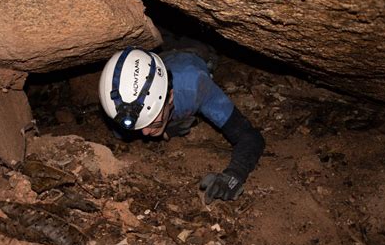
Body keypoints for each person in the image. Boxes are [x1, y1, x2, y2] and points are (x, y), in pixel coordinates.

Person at [98, 46, 265, 204]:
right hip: (162, 57)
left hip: (192, 50)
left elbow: (249, 137)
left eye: (152, 122)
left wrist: (234, 175)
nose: (146, 133)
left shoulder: (194, 86)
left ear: (170, 97)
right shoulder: (119, 105)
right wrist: (165, 131)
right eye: (139, 126)